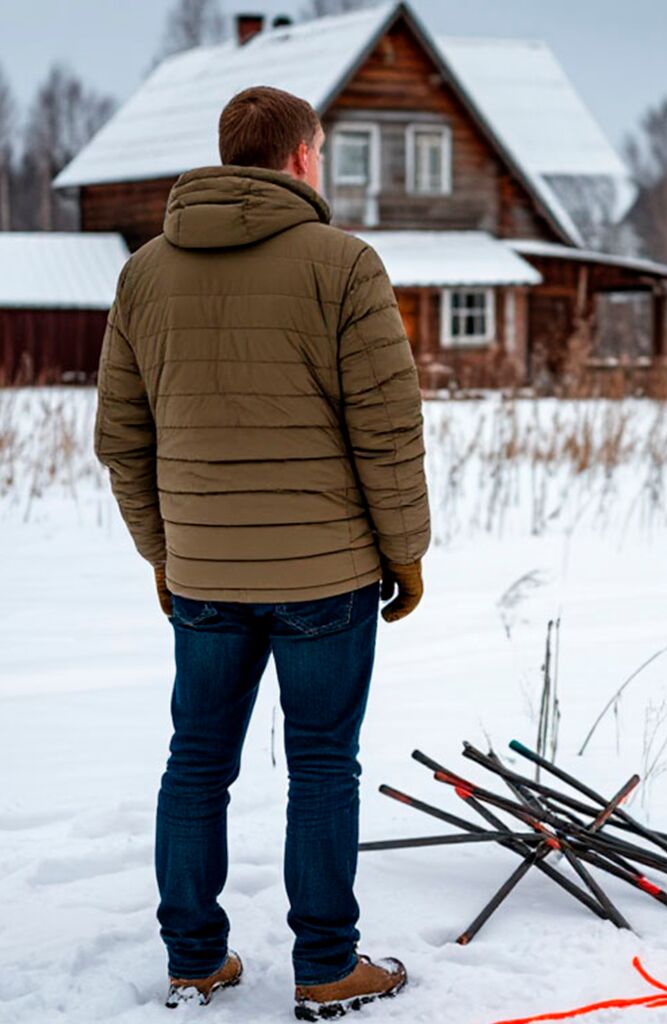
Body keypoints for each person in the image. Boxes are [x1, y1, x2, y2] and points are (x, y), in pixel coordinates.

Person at [93, 84, 430, 1020]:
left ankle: (195, 963)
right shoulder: (345, 264)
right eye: (319, 147)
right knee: (323, 764)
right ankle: (327, 968)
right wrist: (406, 554)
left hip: (203, 576)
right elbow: (388, 432)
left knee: (195, 762)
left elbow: (121, 436)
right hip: (328, 576)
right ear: (299, 157)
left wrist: (165, 553)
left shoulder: (145, 273)